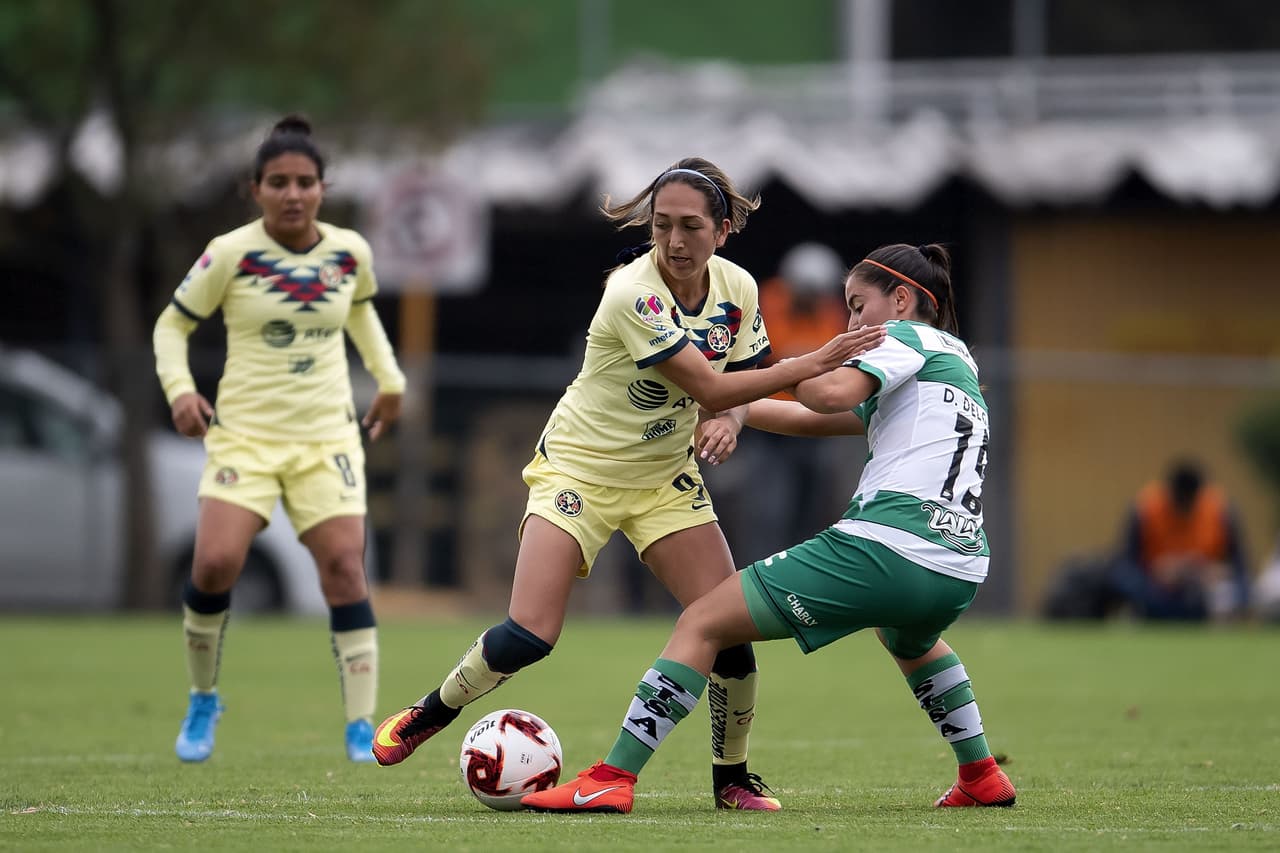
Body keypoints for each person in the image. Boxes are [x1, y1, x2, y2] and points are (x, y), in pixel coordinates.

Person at [370, 156, 884, 811]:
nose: (674, 240)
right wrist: (799, 366)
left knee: (727, 627)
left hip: (664, 477)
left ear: (722, 229)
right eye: (661, 224)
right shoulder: (632, 291)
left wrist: (835, 420)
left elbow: (740, 386)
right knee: (530, 632)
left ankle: (731, 779)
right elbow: (711, 383)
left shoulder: (738, 289)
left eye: (691, 226)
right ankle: (430, 712)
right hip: (580, 469)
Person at [522, 243, 1017, 814]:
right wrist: (726, 406)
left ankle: (612, 777)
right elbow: (815, 418)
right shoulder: (951, 359)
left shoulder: (901, 338)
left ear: (901, 301)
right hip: (958, 562)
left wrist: (797, 361)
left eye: (858, 307)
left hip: (890, 547)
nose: (852, 323)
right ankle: (980, 773)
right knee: (909, 636)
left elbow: (824, 392)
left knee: (704, 619)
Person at [152, 115, 405, 763]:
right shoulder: (229, 254)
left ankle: (359, 724)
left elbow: (359, 312)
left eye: (305, 182)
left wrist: (389, 378)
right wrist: (180, 390)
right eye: (278, 182)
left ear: (324, 188)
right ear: (255, 189)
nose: (293, 194)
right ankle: (203, 697)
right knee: (213, 564)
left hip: (326, 437)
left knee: (346, 569)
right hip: (247, 439)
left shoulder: (349, 252)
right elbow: (170, 327)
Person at [708, 242, 853, 563]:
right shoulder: (768, 302)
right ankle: (759, 571)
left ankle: (804, 573)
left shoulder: (829, 311)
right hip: (768, 425)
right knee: (767, 507)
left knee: (815, 504)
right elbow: (772, 355)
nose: (811, 300)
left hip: (813, 420)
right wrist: (805, 362)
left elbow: (833, 361)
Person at [1111, 460, 1249, 621]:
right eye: (1180, 501)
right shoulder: (1145, 509)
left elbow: (1240, 566)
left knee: (1240, 592)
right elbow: (1127, 563)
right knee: (1127, 582)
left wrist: (1213, 572)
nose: (1185, 508)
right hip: (1156, 588)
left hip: (1207, 588)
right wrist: (1157, 572)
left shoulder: (1220, 510)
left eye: (1189, 502)